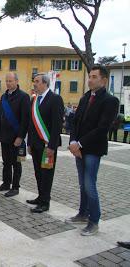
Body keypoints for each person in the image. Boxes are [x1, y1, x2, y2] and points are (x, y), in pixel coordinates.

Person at [66, 65, 119, 236]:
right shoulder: (85, 97)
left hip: (92, 150)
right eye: (89, 76)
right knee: (82, 184)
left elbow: (102, 128)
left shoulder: (110, 101)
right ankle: (83, 213)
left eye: (94, 76)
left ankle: (94, 221)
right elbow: (75, 121)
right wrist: (73, 141)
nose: (90, 79)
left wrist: (79, 144)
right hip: (79, 148)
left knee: (90, 185)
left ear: (103, 80)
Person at [27, 73, 64, 213]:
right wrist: (29, 143)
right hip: (35, 145)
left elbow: (57, 125)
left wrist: (52, 146)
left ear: (45, 83)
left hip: (47, 145)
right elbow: (31, 124)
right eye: (34, 81)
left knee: (47, 174)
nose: (34, 84)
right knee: (38, 172)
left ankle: (45, 202)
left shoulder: (55, 99)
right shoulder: (34, 100)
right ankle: (40, 197)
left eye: (37, 81)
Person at [0, 73, 30, 197]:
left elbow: (25, 119)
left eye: (10, 81)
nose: (8, 83)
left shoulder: (23, 96)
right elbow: (0, 116)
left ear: (16, 81)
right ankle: (6, 183)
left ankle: (15, 187)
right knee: (6, 162)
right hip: (4, 135)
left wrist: (20, 137)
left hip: (15, 137)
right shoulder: (4, 96)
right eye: (7, 81)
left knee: (16, 163)